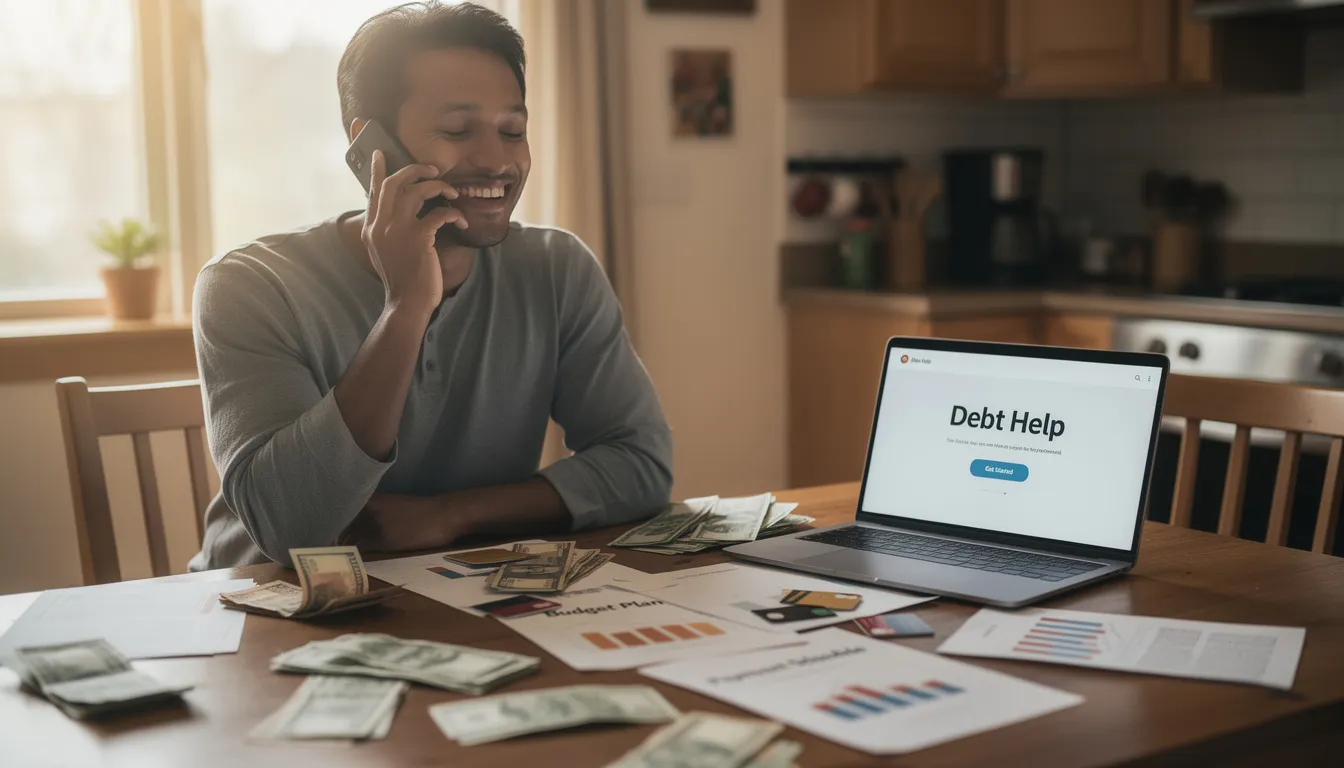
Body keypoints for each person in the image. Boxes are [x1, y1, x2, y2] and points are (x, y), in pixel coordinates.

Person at [188, 1, 672, 570]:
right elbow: (293, 528)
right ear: (371, 145)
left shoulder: (556, 268)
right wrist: (406, 306)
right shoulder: (248, 286)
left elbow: (641, 463)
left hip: (461, 587)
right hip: (262, 600)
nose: (496, 161)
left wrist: (449, 516)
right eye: (457, 130)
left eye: (512, 131)